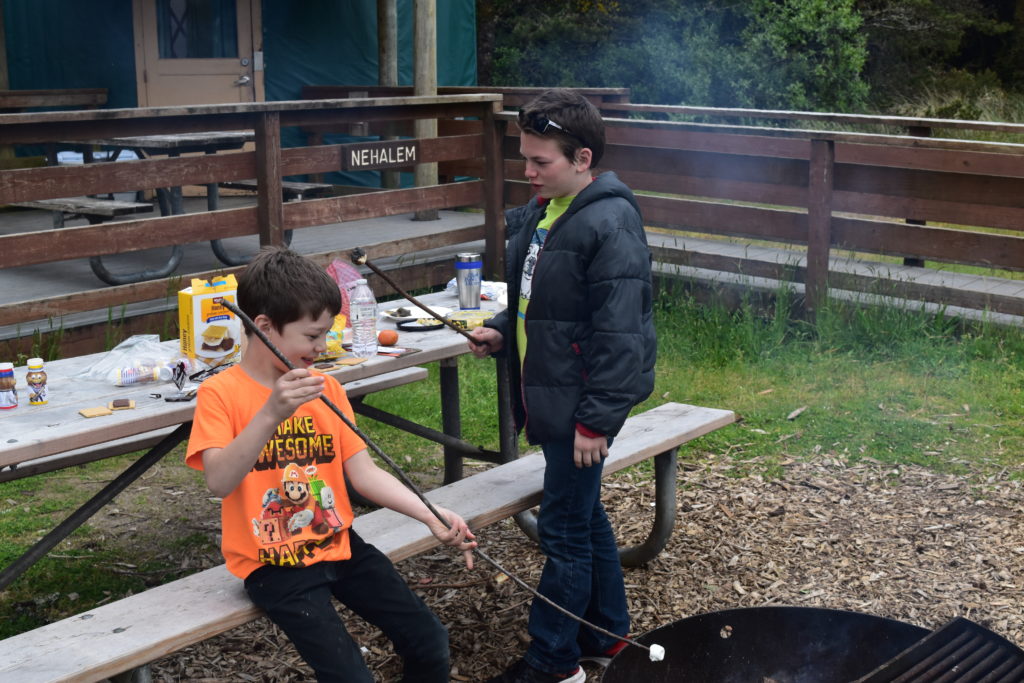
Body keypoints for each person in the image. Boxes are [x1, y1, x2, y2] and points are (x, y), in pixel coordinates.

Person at [186, 246, 477, 683]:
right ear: (263, 327)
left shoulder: (326, 389)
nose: (322, 347)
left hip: (337, 542)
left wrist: (429, 515)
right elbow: (219, 481)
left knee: (428, 640)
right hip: (273, 564)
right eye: (312, 336)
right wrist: (270, 413)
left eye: (327, 334)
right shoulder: (220, 394)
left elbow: (363, 473)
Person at [468, 89, 657, 683]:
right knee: (583, 516)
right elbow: (541, 303)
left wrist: (597, 420)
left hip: (579, 406)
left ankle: (554, 664)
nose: (527, 172)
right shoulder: (552, 213)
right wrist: (503, 329)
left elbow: (620, 334)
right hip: (555, 396)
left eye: (540, 161)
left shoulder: (610, 221)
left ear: (582, 159)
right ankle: (606, 636)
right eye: (523, 158)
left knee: (565, 529)